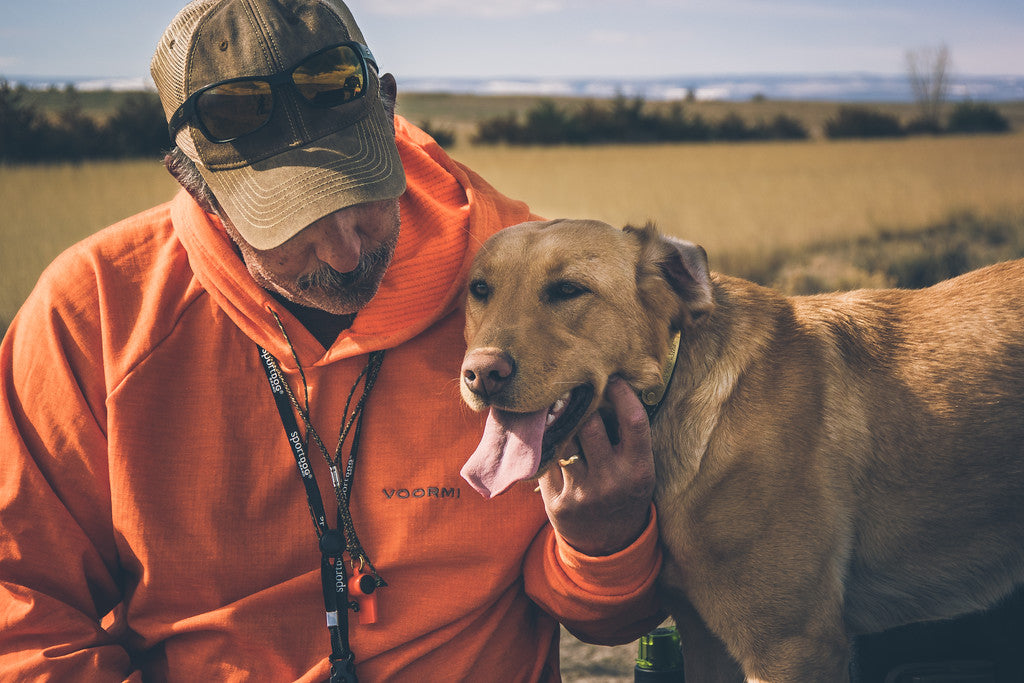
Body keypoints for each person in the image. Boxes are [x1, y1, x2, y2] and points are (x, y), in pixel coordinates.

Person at [0, 1, 662, 680]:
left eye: (364, 195)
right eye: (290, 222)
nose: (347, 253)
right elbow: (21, 611)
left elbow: (610, 616)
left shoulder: (541, 292)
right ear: (197, 184)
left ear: (386, 109)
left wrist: (604, 541)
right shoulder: (94, 314)